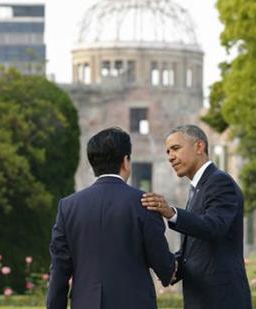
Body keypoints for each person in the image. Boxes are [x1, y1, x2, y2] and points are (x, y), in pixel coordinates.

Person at [47, 127, 176, 309]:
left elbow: (59, 272)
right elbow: (165, 268)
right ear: (126, 161)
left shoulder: (68, 207)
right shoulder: (146, 204)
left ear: (93, 164)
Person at [141, 124, 252, 309]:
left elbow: (214, 227)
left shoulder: (220, 182)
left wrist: (171, 213)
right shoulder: (197, 188)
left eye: (176, 148)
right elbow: (195, 250)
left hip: (222, 301)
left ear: (199, 147)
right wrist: (168, 266)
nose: (170, 157)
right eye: (168, 151)